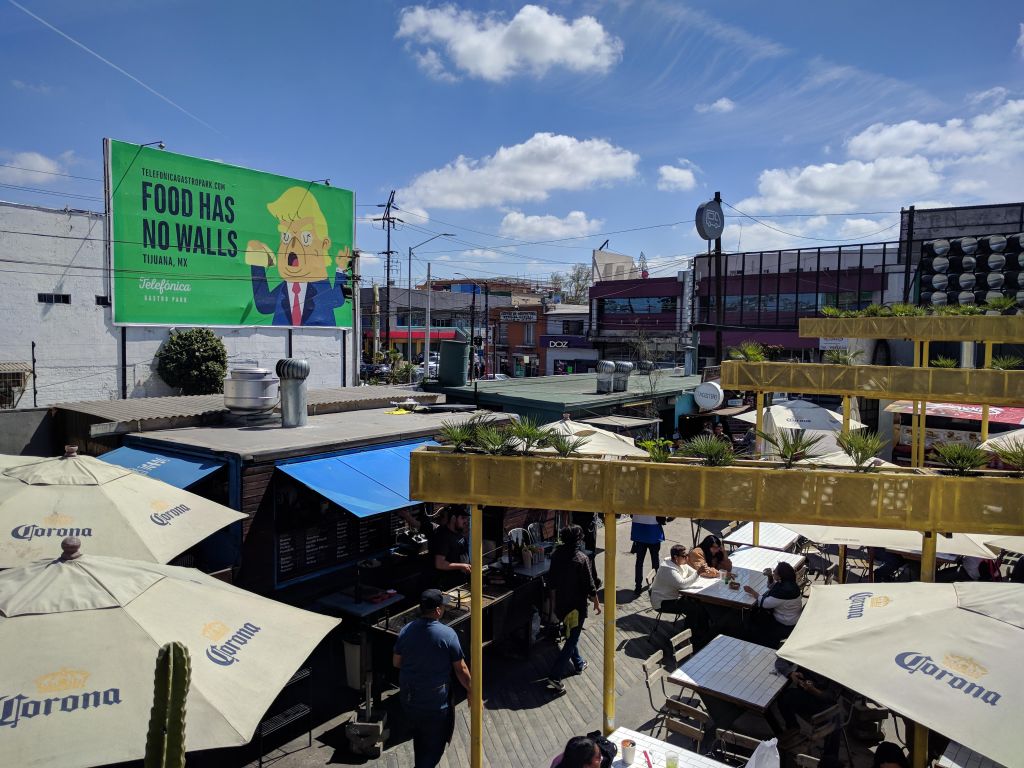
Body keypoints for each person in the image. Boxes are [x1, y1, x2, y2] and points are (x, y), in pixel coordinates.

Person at [244, 187, 351, 326]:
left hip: (321, 340)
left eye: (306, 237)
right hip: (281, 342)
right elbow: (264, 305)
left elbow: (337, 299)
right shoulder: (284, 287)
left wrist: (341, 270)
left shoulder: (320, 285)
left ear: (324, 245)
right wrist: (257, 263)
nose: (293, 247)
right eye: (286, 236)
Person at [393, 589, 472, 768]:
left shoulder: (406, 630)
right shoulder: (448, 634)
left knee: (420, 739)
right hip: (434, 704)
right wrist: (472, 690)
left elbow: (396, 662)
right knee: (434, 748)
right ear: (437, 610)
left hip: (409, 699)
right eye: (443, 605)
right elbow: (461, 669)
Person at [547, 524, 601, 692]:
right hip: (576, 607)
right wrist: (597, 602)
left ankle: (578, 663)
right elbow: (590, 586)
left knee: (570, 633)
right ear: (578, 539)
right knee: (572, 639)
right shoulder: (581, 559)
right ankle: (555, 676)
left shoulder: (556, 555)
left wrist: (553, 605)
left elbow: (552, 583)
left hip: (561, 606)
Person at [744, 561, 802, 647]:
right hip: (793, 619)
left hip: (785, 624)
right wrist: (770, 576)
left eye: (775, 571)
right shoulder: (789, 584)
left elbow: (765, 603)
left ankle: (762, 644)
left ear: (780, 576)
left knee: (756, 619)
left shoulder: (784, 592)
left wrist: (752, 591)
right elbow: (773, 587)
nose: (773, 571)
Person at [650, 544, 699, 615]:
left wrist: (697, 573)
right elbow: (682, 585)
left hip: (674, 596)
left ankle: (694, 624)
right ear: (676, 557)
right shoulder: (668, 569)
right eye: (684, 556)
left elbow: (694, 573)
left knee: (697, 603)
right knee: (695, 608)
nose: (687, 558)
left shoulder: (680, 563)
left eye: (687, 555)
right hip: (663, 602)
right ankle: (694, 625)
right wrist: (698, 573)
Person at [430, 506, 471, 589]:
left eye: (466, 518)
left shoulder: (458, 532)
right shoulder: (443, 537)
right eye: (463, 518)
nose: (466, 521)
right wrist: (462, 566)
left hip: (461, 580)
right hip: (449, 584)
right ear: (453, 518)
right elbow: (440, 564)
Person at [630, 514, 667, 597]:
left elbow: (631, 515)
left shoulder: (634, 501)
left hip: (639, 531)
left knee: (639, 561)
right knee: (655, 560)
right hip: (654, 532)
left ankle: (638, 587)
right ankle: (655, 585)